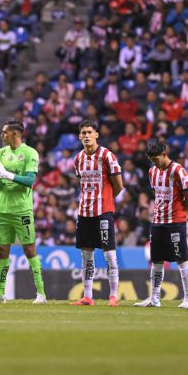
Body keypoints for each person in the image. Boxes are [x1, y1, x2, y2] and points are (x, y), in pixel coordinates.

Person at [0, 121, 46, 305]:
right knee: (2, 250)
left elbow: (30, 181)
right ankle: (0, 295)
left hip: (22, 210)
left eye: (5, 132)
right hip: (2, 209)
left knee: (29, 249)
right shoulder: (1, 153)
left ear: (15, 134)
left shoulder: (30, 153)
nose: (2, 135)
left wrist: (7, 175)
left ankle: (41, 294)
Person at [134, 139, 188, 309]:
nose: (154, 163)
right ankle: (154, 298)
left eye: (156, 159)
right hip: (157, 221)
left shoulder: (178, 170)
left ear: (164, 154)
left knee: (182, 259)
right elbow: (158, 194)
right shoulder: (152, 171)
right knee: (156, 261)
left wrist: (186, 210)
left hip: (175, 221)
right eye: (151, 160)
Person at [70, 120, 123, 307]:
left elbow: (119, 185)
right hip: (84, 212)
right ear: (79, 136)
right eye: (83, 132)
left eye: (89, 132)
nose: (86, 135)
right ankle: (87, 296)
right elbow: (82, 183)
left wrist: (106, 199)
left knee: (109, 254)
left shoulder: (107, 156)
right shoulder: (78, 159)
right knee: (86, 255)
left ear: (96, 134)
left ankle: (114, 295)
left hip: (103, 212)